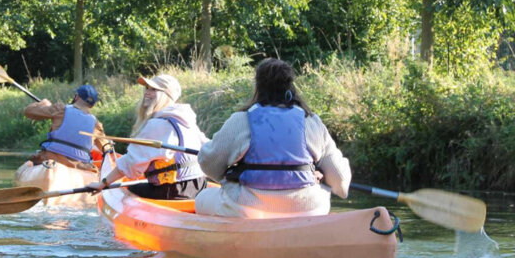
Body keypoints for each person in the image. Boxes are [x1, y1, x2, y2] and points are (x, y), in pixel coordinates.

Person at [194, 58, 350, 218]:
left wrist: (231, 175)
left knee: (201, 198)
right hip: (308, 209)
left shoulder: (241, 120)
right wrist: (320, 176)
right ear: (290, 86)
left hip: (247, 210)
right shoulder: (312, 122)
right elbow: (341, 183)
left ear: (258, 87)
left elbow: (209, 163)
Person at [89, 74, 208, 199]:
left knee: (131, 189)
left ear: (166, 95)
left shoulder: (157, 124)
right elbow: (207, 146)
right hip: (199, 186)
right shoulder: (186, 120)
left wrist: (103, 183)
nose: (147, 92)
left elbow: (132, 164)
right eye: (147, 88)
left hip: (173, 190)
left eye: (154, 89)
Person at [24, 84, 107, 171]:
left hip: (51, 159)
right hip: (78, 166)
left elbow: (28, 111)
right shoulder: (96, 125)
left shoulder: (60, 110)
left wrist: (43, 104)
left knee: (36, 157)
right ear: (92, 105)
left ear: (77, 97)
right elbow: (106, 148)